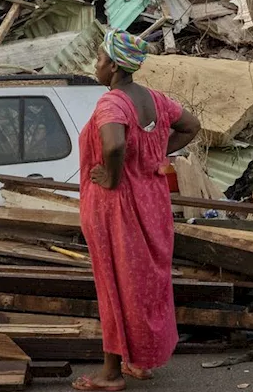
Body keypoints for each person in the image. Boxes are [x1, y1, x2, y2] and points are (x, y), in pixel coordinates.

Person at [73, 31, 202, 391]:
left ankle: (111, 375)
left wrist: (113, 176)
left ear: (114, 66)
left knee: (114, 285)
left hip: (118, 208)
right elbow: (191, 126)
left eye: (99, 59)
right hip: (152, 202)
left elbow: (113, 144)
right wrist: (155, 154)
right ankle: (138, 362)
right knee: (144, 285)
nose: (96, 65)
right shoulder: (155, 100)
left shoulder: (112, 103)